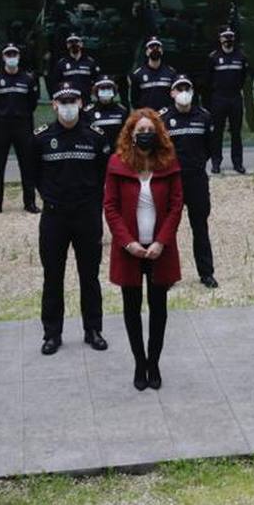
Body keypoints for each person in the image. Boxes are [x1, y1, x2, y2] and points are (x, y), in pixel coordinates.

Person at [28, 84, 113, 355]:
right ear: (54, 105)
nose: (67, 105)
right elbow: (33, 174)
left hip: (87, 214)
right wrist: (49, 196)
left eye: (72, 100)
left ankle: (93, 329)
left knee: (90, 275)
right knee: (53, 276)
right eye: (61, 101)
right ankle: (52, 333)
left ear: (81, 103)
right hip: (54, 216)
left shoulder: (95, 136)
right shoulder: (41, 137)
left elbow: (104, 174)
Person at [104, 109, 184, 389]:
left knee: (158, 307)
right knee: (132, 307)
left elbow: (176, 205)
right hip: (130, 249)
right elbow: (111, 207)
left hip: (159, 248)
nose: (145, 135)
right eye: (140, 131)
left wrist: (161, 241)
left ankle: (154, 362)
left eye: (150, 130)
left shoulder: (169, 163)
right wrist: (128, 242)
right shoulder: (117, 163)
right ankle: (139, 362)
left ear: (159, 133)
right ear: (131, 135)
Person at [159, 75, 217, 288]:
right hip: (172, 180)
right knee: (168, 229)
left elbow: (211, 148)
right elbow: (159, 151)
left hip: (196, 179)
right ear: (172, 93)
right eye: (179, 88)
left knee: (200, 227)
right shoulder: (163, 119)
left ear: (192, 92)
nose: (183, 92)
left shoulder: (204, 116)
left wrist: (197, 164)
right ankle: (167, 274)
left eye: (187, 88)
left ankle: (206, 273)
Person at [0, 43, 40, 215]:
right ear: (3, 57)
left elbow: (33, 103)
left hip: (22, 125)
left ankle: (30, 203)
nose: (12, 57)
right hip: (1, 127)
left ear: (19, 57)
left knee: (27, 166)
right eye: (9, 54)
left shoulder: (28, 79)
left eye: (14, 54)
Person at [204, 27, 248, 174]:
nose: (228, 40)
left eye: (230, 37)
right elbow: (208, 80)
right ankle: (216, 162)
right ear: (220, 39)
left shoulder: (241, 56)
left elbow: (243, 77)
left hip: (235, 97)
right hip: (219, 98)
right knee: (217, 132)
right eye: (225, 37)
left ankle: (238, 163)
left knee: (236, 132)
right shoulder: (213, 57)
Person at [47, 33, 101, 102]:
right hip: (68, 101)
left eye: (76, 42)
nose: (74, 45)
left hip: (86, 100)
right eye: (71, 42)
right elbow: (55, 83)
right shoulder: (61, 64)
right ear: (67, 45)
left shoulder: (90, 62)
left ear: (81, 44)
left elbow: (97, 81)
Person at [130, 36, 177, 112]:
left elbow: (175, 97)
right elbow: (134, 101)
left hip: (167, 117)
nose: (155, 49)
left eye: (157, 47)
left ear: (161, 51)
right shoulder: (138, 74)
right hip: (147, 118)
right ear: (147, 52)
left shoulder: (171, 73)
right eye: (151, 47)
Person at [85, 75, 128, 146]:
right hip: (96, 151)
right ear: (96, 91)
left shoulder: (122, 111)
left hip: (117, 152)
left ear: (114, 91)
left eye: (108, 88)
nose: (105, 90)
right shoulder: (88, 112)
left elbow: (126, 134)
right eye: (102, 88)